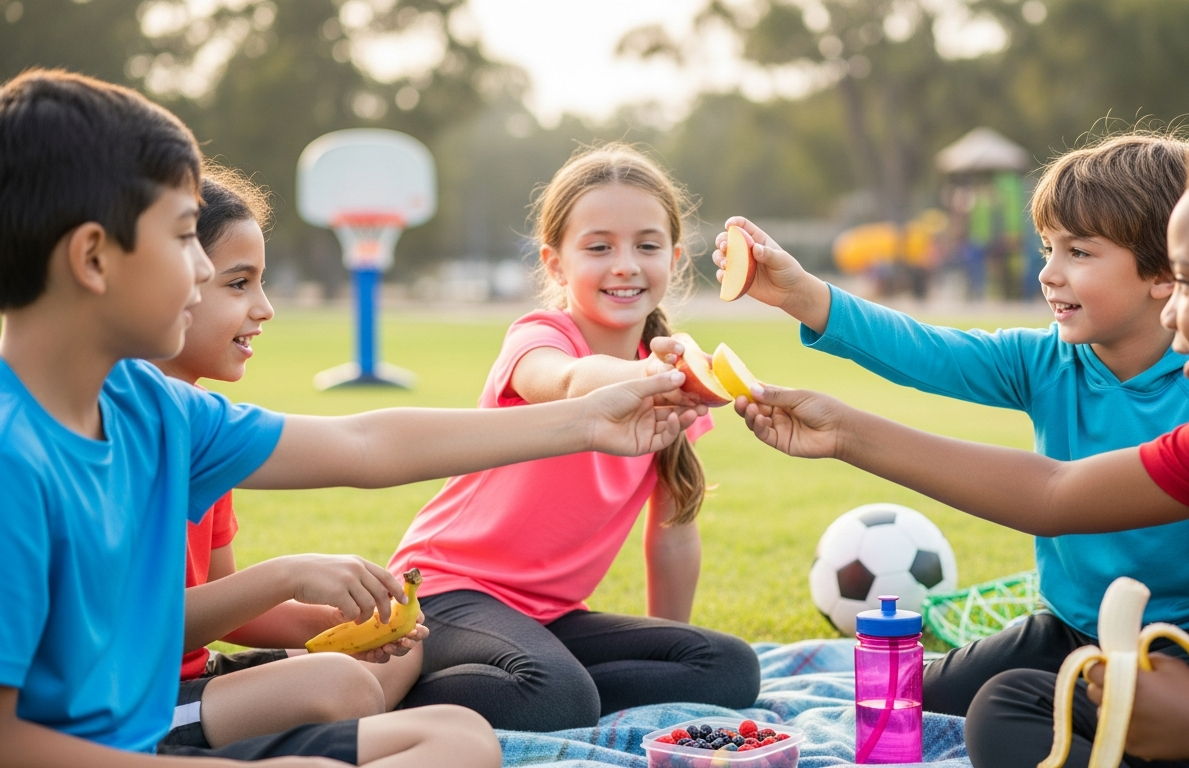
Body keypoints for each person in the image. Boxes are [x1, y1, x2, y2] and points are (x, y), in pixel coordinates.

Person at [0, 69, 700, 766]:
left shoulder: (153, 408)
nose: (200, 269)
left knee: (458, 738)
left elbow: (366, 443)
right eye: (185, 239)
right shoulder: (14, 457)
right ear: (93, 256)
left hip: (153, 720)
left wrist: (587, 421)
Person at [733, 102, 1189, 767]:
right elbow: (1053, 491)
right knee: (978, 700)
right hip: (1087, 636)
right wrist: (839, 409)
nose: (1174, 314)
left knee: (1038, 715)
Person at [713, 133, 1189, 713]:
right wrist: (802, 294)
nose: (1048, 274)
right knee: (905, 697)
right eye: (1048, 248)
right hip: (1069, 631)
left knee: (1008, 715)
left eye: (1079, 252)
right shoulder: (1046, 360)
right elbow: (931, 352)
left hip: (1186, 647)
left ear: (1164, 273)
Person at [390, 144, 761, 731]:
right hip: (445, 593)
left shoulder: (674, 376)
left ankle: (551, 690)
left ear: (673, 257)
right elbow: (563, 381)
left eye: (646, 244)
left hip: (551, 618)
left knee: (727, 667)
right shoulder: (541, 337)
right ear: (556, 264)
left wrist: (672, 643)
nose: (625, 264)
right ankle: (386, 684)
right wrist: (644, 379)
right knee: (552, 692)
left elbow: (673, 536)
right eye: (598, 247)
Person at [153, 164, 429, 752]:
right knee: (342, 687)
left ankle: (327, 731)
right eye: (238, 284)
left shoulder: (205, 419)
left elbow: (225, 606)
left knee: (391, 661)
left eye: (261, 282)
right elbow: (143, 629)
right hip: (135, 701)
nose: (265, 308)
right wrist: (289, 573)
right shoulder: (124, 425)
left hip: (197, 678)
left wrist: (332, 624)